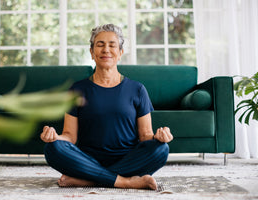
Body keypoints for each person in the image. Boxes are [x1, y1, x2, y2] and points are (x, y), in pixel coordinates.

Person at [40, 24, 173, 190]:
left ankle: (90, 179)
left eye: (112, 45)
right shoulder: (77, 89)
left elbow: (146, 135)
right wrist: (55, 138)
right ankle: (125, 181)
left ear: (120, 53)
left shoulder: (137, 89)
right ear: (91, 52)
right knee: (53, 148)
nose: (106, 50)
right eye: (100, 45)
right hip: (87, 159)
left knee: (161, 149)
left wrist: (159, 137)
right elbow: (70, 136)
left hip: (128, 159)